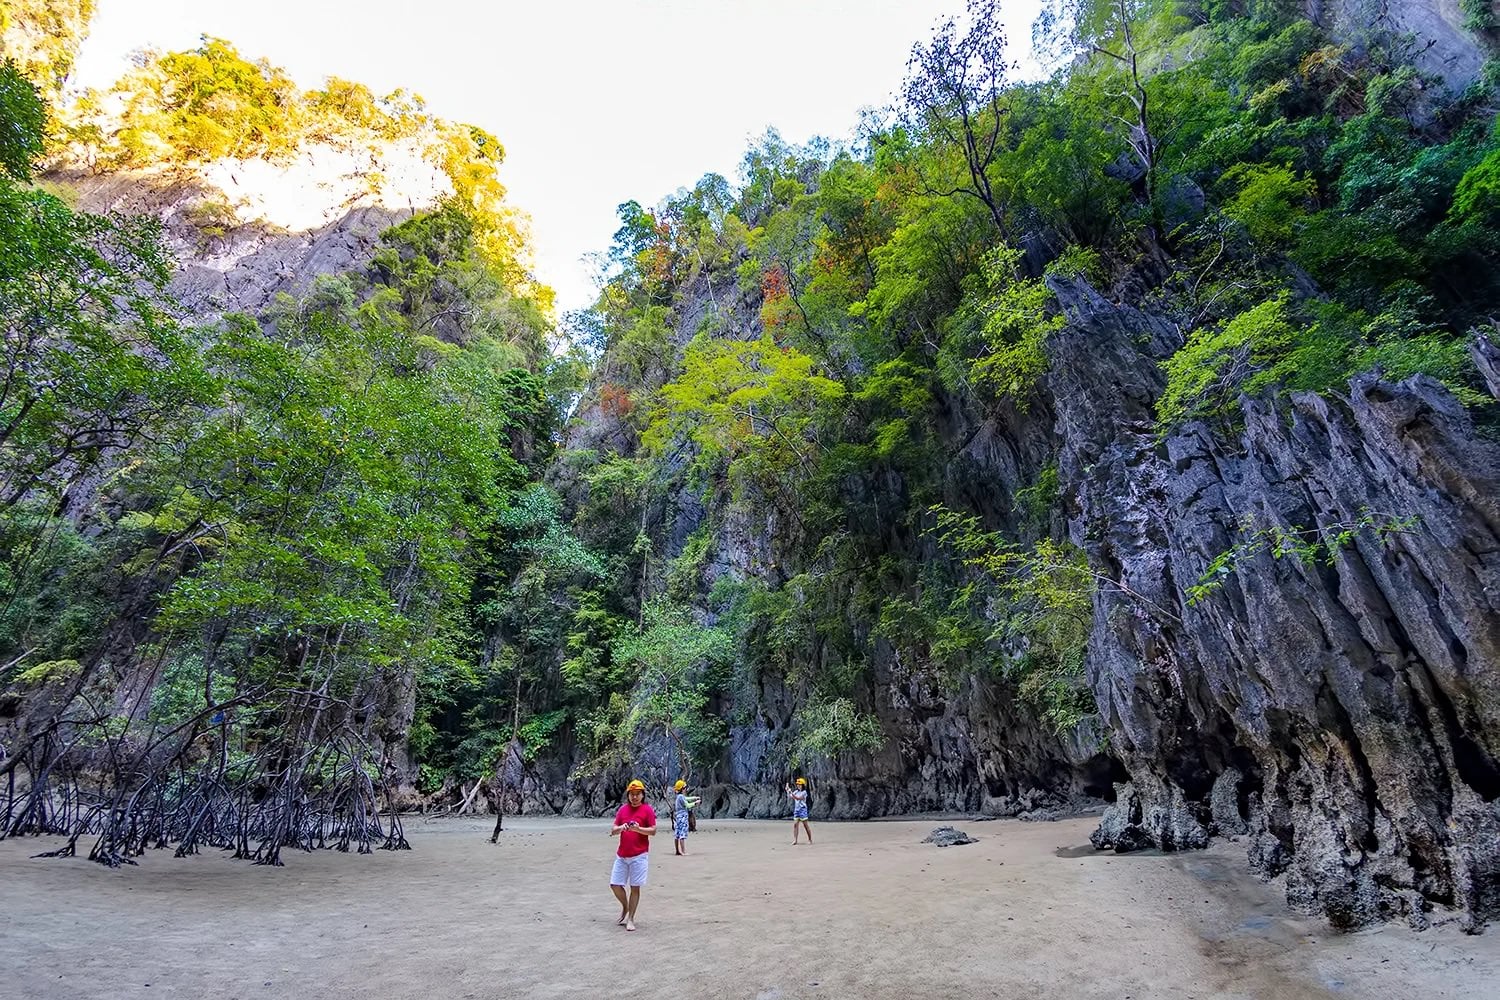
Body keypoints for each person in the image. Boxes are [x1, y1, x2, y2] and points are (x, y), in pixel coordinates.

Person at [609, 779, 657, 931]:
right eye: (632, 794)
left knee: (635, 887)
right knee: (615, 885)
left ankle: (631, 918)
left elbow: (653, 830)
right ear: (628, 795)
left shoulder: (647, 810)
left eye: (638, 794)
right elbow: (613, 830)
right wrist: (622, 828)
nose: (635, 797)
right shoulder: (623, 810)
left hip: (639, 855)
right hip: (622, 855)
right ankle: (625, 906)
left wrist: (638, 829)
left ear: (643, 795)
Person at [671, 779, 701, 856]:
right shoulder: (681, 797)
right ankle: (683, 851)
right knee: (682, 834)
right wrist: (695, 803)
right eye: (684, 788)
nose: (685, 789)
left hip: (678, 817)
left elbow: (687, 799)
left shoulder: (679, 796)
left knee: (677, 834)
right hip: (683, 817)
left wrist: (695, 798)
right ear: (682, 789)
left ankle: (677, 851)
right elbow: (687, 805)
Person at [785, 776, 812, 845]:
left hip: (803, 810)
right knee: (795, 825)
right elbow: (791, 796)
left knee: (805, 825)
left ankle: (810, 839)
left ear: (803, 785)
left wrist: (790, 792)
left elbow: (798, 798)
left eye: (800, 785)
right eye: (797, 785)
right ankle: (795, 840)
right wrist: (787, 790)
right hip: (796, 810)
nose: (798, 786)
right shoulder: (796, 791)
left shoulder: (804, 792)